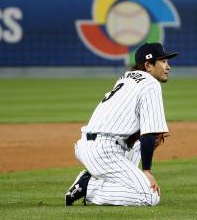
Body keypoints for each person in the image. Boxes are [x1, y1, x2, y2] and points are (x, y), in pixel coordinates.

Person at [64, 42, 177, 207]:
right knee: (150, 196)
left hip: (90, 146)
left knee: (143, 141)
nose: (168, 66)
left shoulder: (126, 78)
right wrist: (147, 171)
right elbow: (149, 133)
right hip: (104, 151)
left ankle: (90, 179)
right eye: (163, 62)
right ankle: (89, 186)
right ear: (148, 65)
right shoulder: (151, 84)